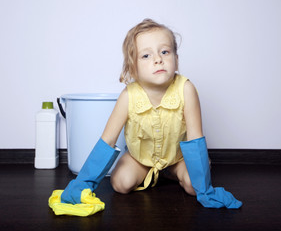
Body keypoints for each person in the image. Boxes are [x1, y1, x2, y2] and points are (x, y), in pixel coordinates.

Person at [49, 19, 242, 216]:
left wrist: (204, 186)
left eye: (165, 52)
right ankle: (150, 171)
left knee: (194, 187)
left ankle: (171, 172)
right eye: (146, 55)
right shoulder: (127, 96)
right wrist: (82, 184)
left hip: (177, 158)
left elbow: (195, 138)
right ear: (132, 68)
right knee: (120, 184)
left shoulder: (186, 89)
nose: (158, 59)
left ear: (176, 58)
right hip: (140, 158)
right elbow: (107, 140)